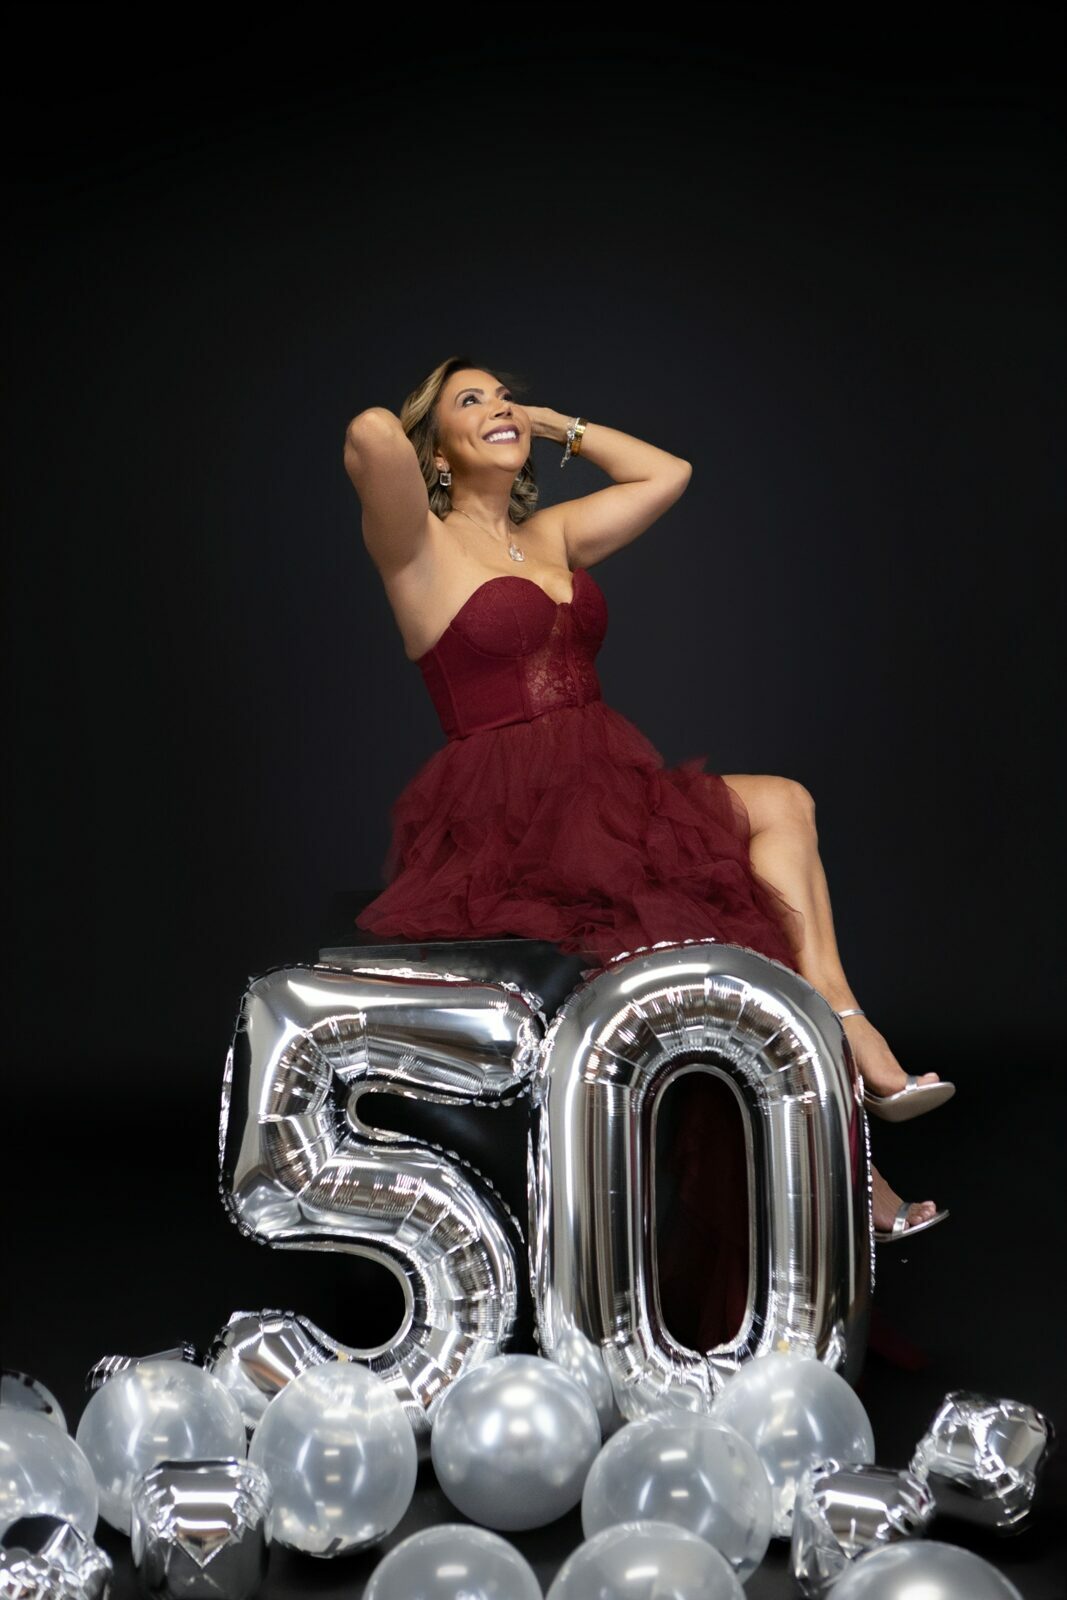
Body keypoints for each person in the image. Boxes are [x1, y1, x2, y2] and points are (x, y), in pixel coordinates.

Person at [342, 355, 951, 1262]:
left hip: (605, 786)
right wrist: (448, 420)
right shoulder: (416, 549)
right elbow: (368, 435)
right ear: (435, 450)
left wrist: (545, 422)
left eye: (506, 394)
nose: (502, 407)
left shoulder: (548, 535)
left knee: (783, 802)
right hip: (516, 815)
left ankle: (838, 1010)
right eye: (475, 401)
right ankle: (853, 1172)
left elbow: (668, 473)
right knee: (719, 921)